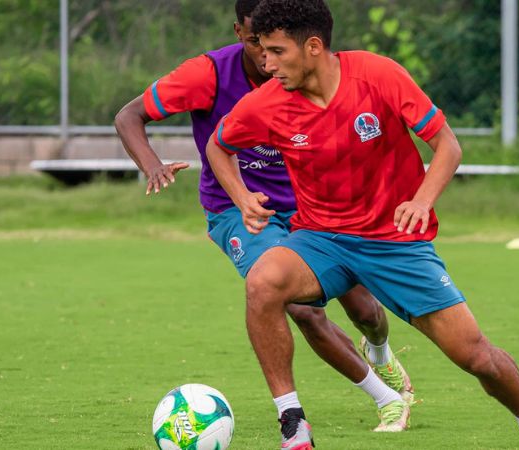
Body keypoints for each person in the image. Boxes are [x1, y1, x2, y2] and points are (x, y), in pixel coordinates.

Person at [205, 0, 519, 449]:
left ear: (314, 46)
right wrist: (241, 197)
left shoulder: (378, 76)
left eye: (277, 52)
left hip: (394, 242)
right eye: (262, 51)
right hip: (321, 239)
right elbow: (217, 145)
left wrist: (422, 201)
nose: (266, 64)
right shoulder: (266, 103)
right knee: (263, 283)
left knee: (476, 356)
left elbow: (447, 145)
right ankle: (292, 421)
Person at [113, 0, 414, 437]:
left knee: (366, 309)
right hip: (238, 213)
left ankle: (381, 353)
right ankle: (385, 402)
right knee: (299, 307)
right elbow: (128, 115)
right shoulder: (207, 74)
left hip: (314, 209)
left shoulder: (307, 72)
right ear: (239, 32)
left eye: (274, 43)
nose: (265, 53)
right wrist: (152, 164)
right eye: (255, 40)